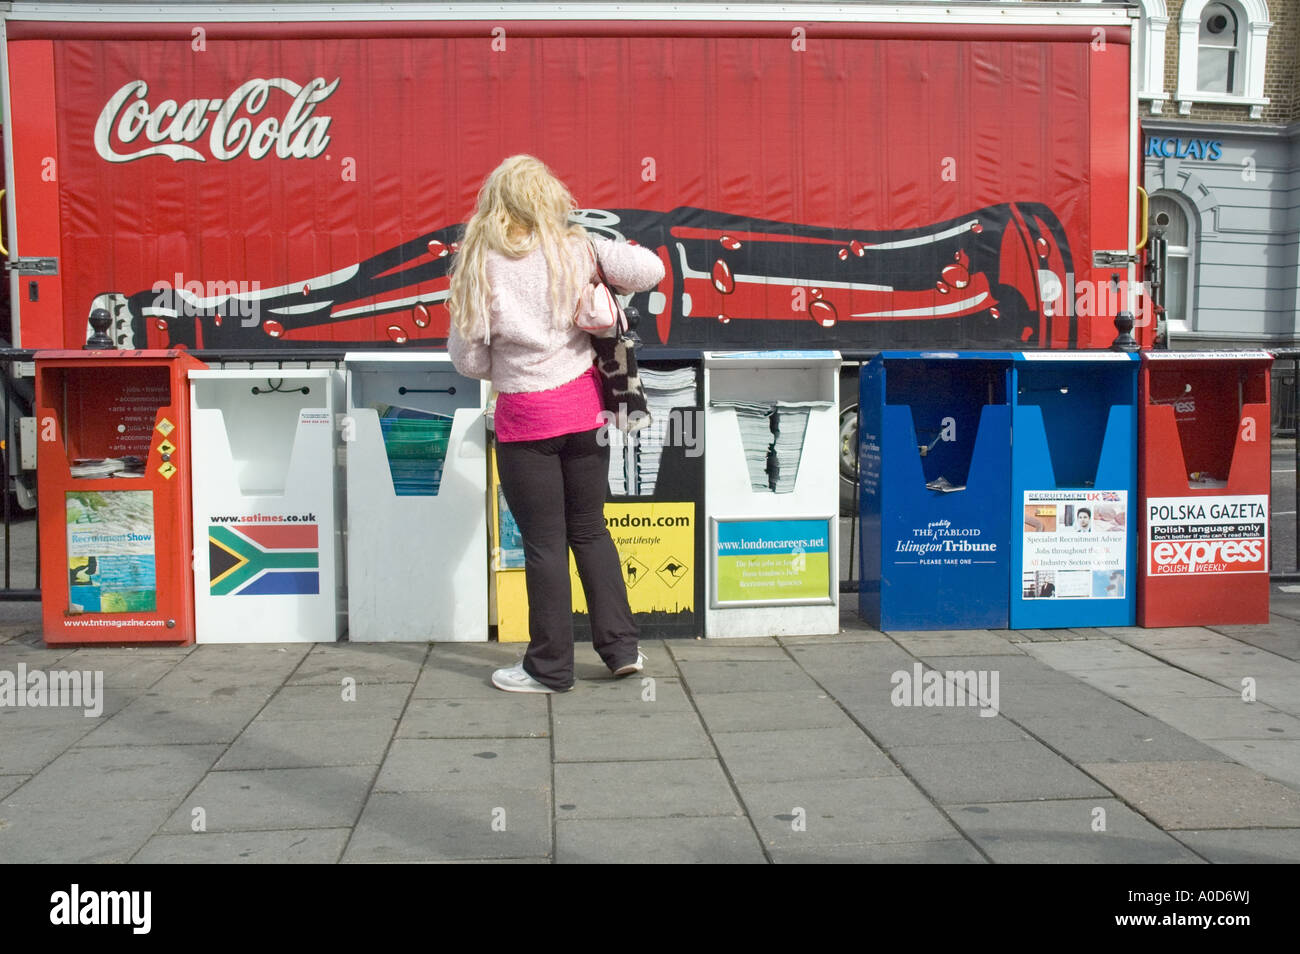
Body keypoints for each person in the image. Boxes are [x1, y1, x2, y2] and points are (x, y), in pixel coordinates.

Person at [447, 155, 666, 693]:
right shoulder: (576, 248)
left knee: (545, 544)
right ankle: (621, 650)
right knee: (591, 531)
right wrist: (588, 249)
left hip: (527, 420)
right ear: (549, 197)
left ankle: (549, 668)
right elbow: (651, 270)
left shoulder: (481, 262)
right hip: (586, 413)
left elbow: (470, 362)